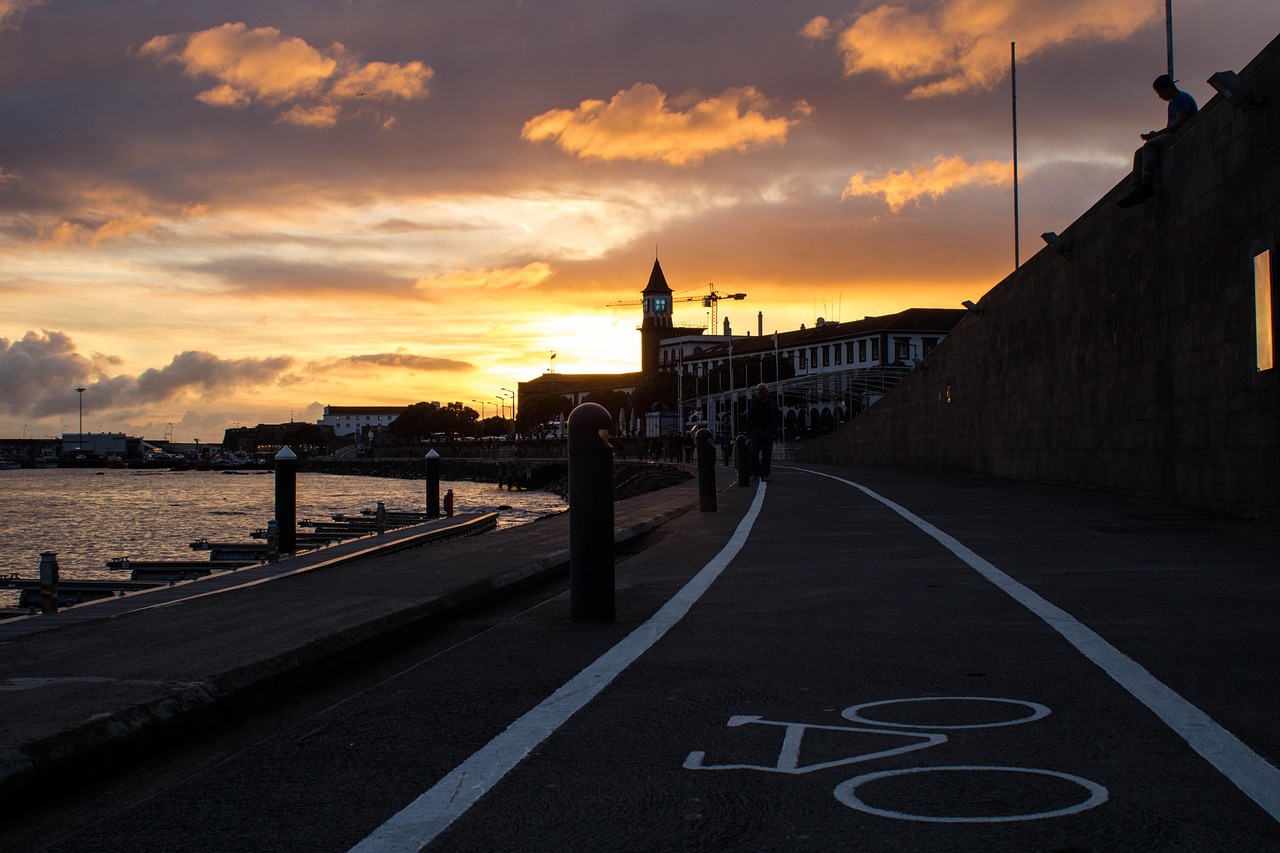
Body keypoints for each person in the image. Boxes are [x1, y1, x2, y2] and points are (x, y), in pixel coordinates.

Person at [1117, 75, 1198, 208]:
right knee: (1139, 153)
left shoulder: (1183, 99)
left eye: (1161, 92)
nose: (1160, 96)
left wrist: (1156, 135)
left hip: (1181, 133)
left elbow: (1180, 123)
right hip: (1171, 134)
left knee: (1150, 145)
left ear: (1169, 88)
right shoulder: (1172, 104)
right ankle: (1138, 188)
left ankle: (1147, 184)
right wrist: (1155, 135)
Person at [745, 383, 781, 482]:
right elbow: (749, 417)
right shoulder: (753, 402)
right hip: (756, 431)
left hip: (768, 430)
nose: (759, 392)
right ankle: (756, 472)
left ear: (766, 392)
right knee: (754, 452)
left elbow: (776, 417)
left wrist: (776, 430)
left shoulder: (772, 403)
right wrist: (749, 431)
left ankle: (764, 475)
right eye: (758, 390)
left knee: (767, 454)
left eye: (761, 390)